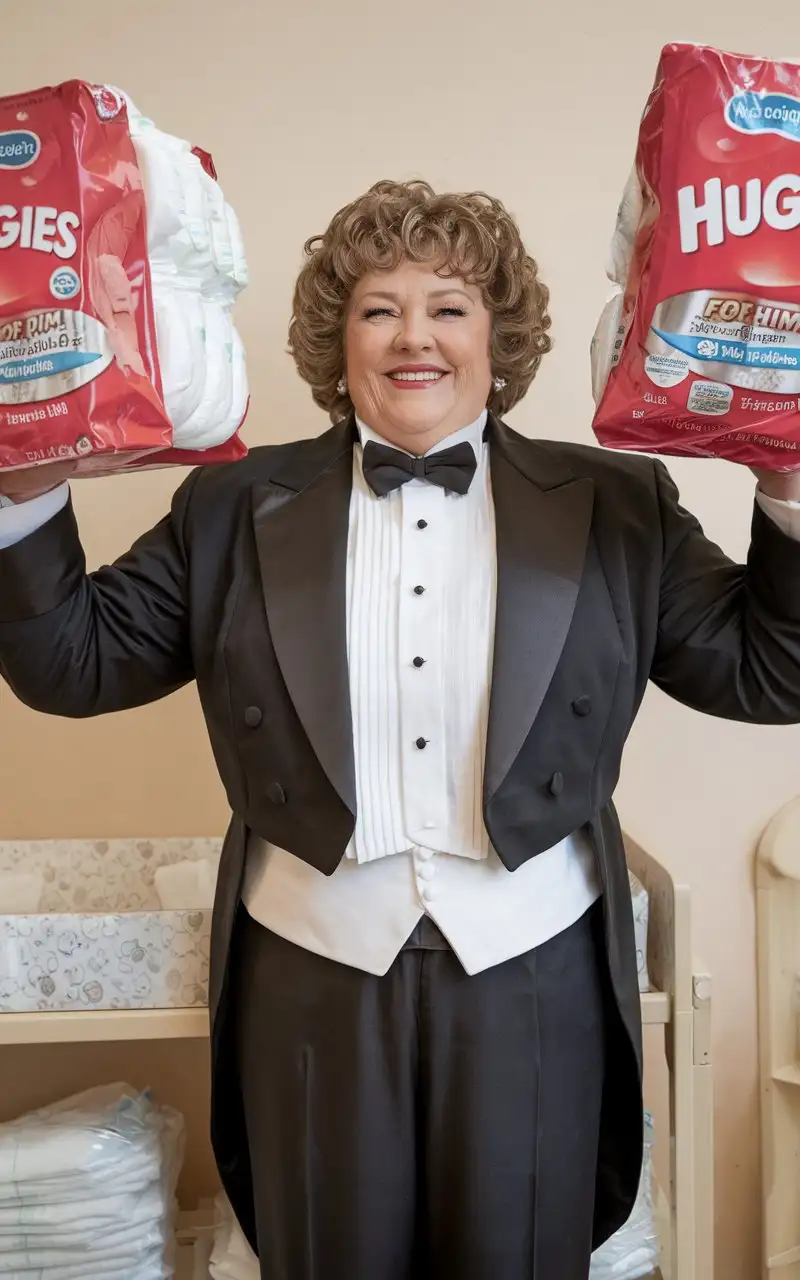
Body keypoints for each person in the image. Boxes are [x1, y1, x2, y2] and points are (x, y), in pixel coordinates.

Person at [2, 179, 800, 1280]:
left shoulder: (617, 503)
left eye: (450, 306)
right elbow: (71, 665)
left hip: (533, 968)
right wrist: (26, 484)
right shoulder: (231, 505)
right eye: (378, 308)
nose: (412, 335)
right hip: (310, 966)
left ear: (497, 334)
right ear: (338, 338)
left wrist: (787, 478)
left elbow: (769, 670)